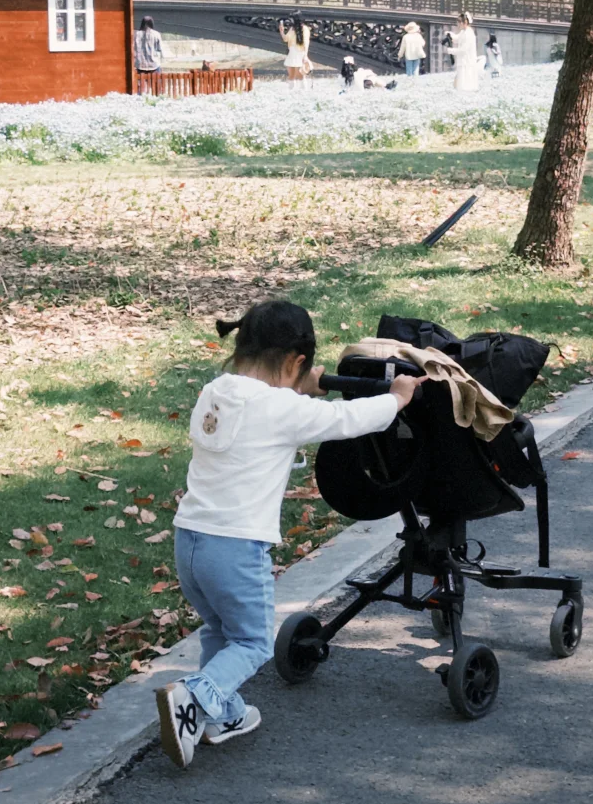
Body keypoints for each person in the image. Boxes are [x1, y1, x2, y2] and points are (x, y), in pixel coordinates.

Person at [157, 299, 424, 769]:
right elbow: (347, 421)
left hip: (190, 542)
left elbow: (267, 412)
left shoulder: (214, 392)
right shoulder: (282, 408)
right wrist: (396, 398)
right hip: (235, 549)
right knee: (253, 642)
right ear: (295, 362)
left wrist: (299, 389)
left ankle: (223, 715)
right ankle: (196, 696)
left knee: (220, 630)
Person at [445, 11, 479, 92]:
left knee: (465, 85)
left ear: (464, 22)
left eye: (459, 21)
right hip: (462, 62)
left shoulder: (469, 34)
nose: (458, 24)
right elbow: (457, 39)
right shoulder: (463, 31)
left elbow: (463, 50)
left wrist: (450, 50)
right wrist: (450, 34)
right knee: (459, 84)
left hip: (467, 63)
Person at [278, 12, 311, 84]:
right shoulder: (292, 29)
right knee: (291, 76)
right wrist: (282, 32)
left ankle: (304, 89)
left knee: (300, 76)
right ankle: (291, 89)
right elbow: (285, 39)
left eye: (291, 18)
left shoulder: (305, 29)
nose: (290, 20)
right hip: (292, 53)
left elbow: (306, 43)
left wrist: (305, 55)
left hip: (300, 53)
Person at [134, 15, 164, 81]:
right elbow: (160, 49)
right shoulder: (156, 34)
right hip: (154, 65)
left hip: (140, 65)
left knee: (140, 85)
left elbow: (134, 48)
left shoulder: (136, 34)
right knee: (157, 85)